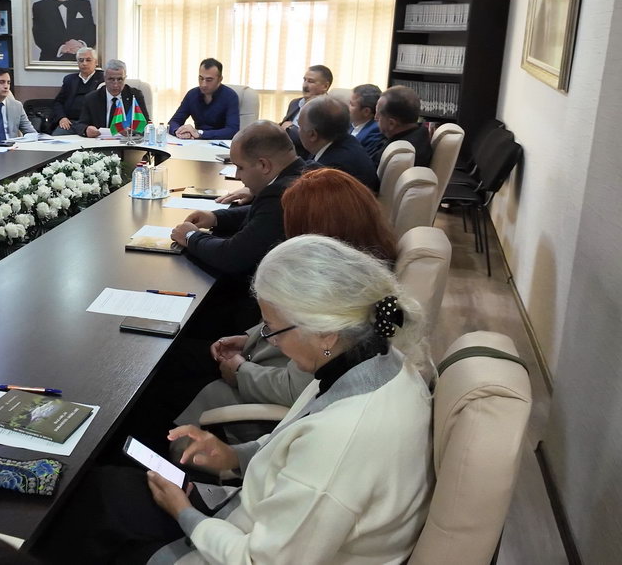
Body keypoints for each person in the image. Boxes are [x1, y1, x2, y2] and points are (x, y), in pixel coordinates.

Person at [65, 235, 431, 565]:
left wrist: (184, 514)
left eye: (274, 328)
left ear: (325, 332)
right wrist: (234, 456)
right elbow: (295, 439)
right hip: (253, 515)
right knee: (104, 490)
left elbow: (257, 560)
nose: (271, 341)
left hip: (243, 544)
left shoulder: (343, 440)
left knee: (87, 513)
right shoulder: (372, 360)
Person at [170, 168, 398, 443]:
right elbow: (287, 326)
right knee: (178, 357)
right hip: (261, 360)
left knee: (165, 385)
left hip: (261, 396)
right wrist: (250, 338)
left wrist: (241, 371)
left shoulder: (331, 289)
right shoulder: (362, 269)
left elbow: (298, 387)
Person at [171, 121, 306, 282]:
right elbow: (261, 213)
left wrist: (190, 236)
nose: (237, 176)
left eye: (240, 167)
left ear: (264, 165)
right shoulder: (307, 170)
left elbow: (231, 256)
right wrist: (216, 218)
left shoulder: (281, 194)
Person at [297, 95, 379, 190]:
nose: (298, 131)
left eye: (299, 126)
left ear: (313, 135)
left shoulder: (330, 170)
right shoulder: (347, 141)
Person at [167, 59, 240, 140]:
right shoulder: (192, 94)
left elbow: (232, 130)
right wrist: (178, 131)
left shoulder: (230, 96)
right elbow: (173, 122)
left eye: (209, 80)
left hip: (220, 143)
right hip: (197, 142)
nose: (203, 84)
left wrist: (201, 133)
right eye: (201, 78)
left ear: (220, 79)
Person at [75, 59, 149, 138]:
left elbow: (146, 124)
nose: (115, 85)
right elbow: (80, 124)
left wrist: (133, 131)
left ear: (125, 78)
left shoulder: (134, 96)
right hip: (99, 142)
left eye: (120, 79)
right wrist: (86, 130)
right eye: (111, 79)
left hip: (125, 142)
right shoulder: (92, 98)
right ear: (104, 78)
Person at [373, 84, 432, 167]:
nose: (375, 118)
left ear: (391, 123)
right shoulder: (421, 133)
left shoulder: (397, 154)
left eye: (378, 114)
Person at [51, 47, 104, 134]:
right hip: (70, 123)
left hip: (91, 123)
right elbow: (58, 102)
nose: (84, 63)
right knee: (57, 137)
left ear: (96, 62)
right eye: (81, 60)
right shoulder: (69, 79)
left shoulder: (103, 79)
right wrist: (62, 118)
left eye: (88, 60)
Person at [279, 64, 333, 128]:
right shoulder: (295, 103)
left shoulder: (329, 109)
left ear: (325, 86)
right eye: (304, 80)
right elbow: (283, 126)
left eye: (311, 81)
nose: (305, 85)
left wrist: (291, 128)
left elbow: (313, 134)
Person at [348, 83, 385, 159]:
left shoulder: (375, 132)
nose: (347, 107)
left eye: (352, 105)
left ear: (366, 111)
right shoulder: (349, 124)